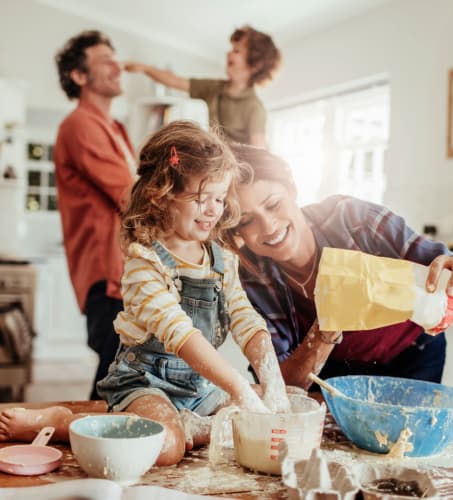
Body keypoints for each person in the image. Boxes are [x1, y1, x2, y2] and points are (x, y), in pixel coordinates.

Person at [0, 122, 290, 467]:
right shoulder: (145, 264)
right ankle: (65, 423)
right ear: (161, 193)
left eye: (219, 198)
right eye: (200, 199)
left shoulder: (222, 260)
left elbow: (244, 316)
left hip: (198, 389)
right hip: (146, 385)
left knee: (273, 404)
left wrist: (271, 380)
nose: (213, 209)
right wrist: (239, 388)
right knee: (167, 448)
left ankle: (191, 428)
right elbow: (181, 335)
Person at [223, 144, 453, 390]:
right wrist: (326, 327)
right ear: (237, 231)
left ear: (293, 190)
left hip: (411, 358)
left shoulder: (355, 221)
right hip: (330, 374)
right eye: (247, 221)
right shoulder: (250, 278)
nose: (268, 226)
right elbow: (280, 384)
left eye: (273, 204)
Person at [54, 30, 136, 399]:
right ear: (80, 76)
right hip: (108, 275)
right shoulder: (80, 125)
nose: (116, 65)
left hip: (122, 270)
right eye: (105, 60)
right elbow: (130, 195)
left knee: (119, 377)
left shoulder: (114, 128)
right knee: (113, 382)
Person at [124, 25, 281, 147]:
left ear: (255, 65)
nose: (229, 53)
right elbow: (175, 81)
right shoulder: (214, 88)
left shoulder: (254, 108)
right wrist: (145, 69)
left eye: (236, 51)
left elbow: (258, 151)